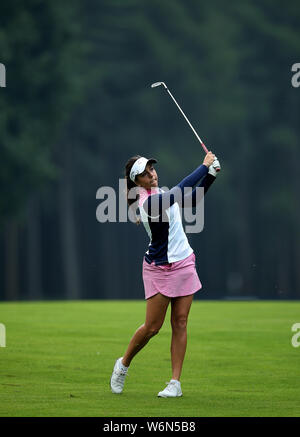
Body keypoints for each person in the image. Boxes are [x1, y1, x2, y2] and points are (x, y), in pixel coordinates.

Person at [110, 151, 220, 397]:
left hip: (183, 262)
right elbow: (181, 192)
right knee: (152, 327)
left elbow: (190, 201)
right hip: (159, 268)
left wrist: (211, 176)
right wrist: (203, 167)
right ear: (137, 182)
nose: (152, 175)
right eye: (145, 174)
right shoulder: (147, 202)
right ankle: (123, 364)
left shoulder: (160, 194)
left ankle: (175, 383)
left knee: (180, 322)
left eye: (152, 170)